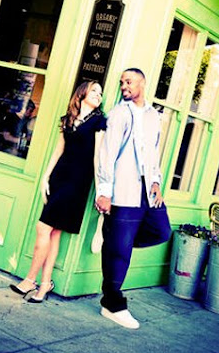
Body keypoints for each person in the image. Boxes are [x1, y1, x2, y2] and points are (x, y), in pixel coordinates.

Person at [10, 81, 106, 302]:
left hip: (77, 183)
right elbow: (58, 150)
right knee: (53, 234)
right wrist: (45, 176)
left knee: (43, 227)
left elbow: (97, 157)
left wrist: (100, 189)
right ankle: (45, 285)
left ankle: (29, 280)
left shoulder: (100, 122)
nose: (98, 95)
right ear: (81, 94)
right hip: (59, 178)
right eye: (94, 91)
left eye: (100, 93)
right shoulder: (68, 119)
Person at [94, 68, 172, 329]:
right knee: (119, 252)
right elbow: (108, 153)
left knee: (162, 230)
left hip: (147, 191)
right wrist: (104, 191)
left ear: (143, 82)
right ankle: (112, 304)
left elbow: (153, 152)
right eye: (122, 82)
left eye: (129, 81)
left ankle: (117, 239)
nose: (124, 86)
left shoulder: (153, 115)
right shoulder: (118, 113)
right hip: (123, 190)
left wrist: (157, 182)